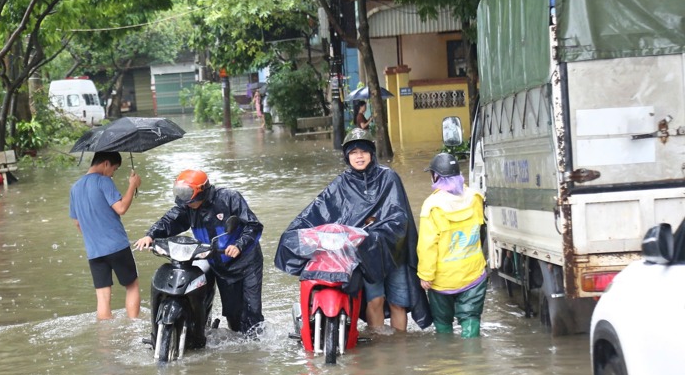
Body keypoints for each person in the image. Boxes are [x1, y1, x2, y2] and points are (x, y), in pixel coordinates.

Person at [275, 128, 431, 332]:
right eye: (354, 152)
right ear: (347, 156)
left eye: (364, 151)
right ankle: (380, 351)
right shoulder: (341, 184)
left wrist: (375, 234)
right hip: (366, 255)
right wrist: (297, 234)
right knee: (375, 301)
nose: (359, 156)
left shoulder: (389, 178)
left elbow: (400, 217)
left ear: (371, 154)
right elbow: (317, 212)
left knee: (398, 304)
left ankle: (398, 351)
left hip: (394, 253)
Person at [134, 169, 265, 335]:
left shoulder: (230, 198)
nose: (184, 199)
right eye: (181, 193)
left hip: (247, 263)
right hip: (220, 265)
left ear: (201, 191)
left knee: (251, 312)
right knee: (233, 314)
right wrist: (151, 235)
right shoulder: (187, 207)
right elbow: (169, 221)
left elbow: (253, 226)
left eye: (187, 193)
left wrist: (239, 245)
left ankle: (255, 348)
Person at [416, 152, 487, 338]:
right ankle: (473, 361)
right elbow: (482, 230)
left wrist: (425, 275)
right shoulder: (475, 197)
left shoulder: (432, 206)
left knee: (442, 323)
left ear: (436, 176)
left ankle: (447, 362)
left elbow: (427, 245)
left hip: (442, 280)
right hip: (473, 273)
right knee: (471, 318)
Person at [69, 151, 142, 320]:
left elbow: (77, 222)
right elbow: (121, 208)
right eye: (114, 169)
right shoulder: (104, 181)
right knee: (132, 286)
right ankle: (133, 327)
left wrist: (94, 238)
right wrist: (133, 185)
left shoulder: (75, 188)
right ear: (106, 164)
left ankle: (105, 341)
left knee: (102, 297)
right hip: (117, 246)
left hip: (94, 251)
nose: (113, 173)